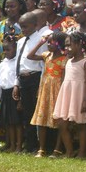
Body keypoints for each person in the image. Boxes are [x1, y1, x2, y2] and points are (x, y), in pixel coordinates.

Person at [52, 31, 86, 158]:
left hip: (79, 95)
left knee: (81, 124)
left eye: (69, 45)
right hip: (67, 95)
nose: (66, 48)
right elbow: (64, 79)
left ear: (79, 45)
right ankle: (69, 151)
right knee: (62, 123)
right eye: (65, 46)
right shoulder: (68, 61)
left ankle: (82, 152)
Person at [13, 10, 52, 153]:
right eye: (21, 27)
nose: (23, 30)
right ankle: (30, 145)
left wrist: (41, 84)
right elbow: (19, 62)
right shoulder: (21, 41)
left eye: (26, 27)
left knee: (39, 112)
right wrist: (16, 83)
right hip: (23, 78)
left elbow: (44, 62)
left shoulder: (41, 40)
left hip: (35, 78)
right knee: (27, 113)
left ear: (35, 25)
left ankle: (42, 145)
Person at [27, 30, 68, 157]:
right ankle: (42, 148)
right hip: (45, 90)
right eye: (48, 42)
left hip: (57, 91)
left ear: (60, 44)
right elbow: (30, 56)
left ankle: (57, 148)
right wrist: (40, 43)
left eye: (51, 42)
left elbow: (63, 77)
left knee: (59, 120)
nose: (48, 44)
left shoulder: (64, 59)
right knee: (42, 118)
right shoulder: (46, 55)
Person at [0, 36, 22, 153]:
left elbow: (18, 76)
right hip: (5, 94)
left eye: (8, 49)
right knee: (8, 122)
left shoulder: (18, 62)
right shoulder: (2, 63)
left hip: (14, 93)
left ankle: (19, 145)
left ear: (15, 48)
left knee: (17, 121)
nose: (5, 52)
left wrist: (16, 86)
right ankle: (11, 144)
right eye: (4, 50)